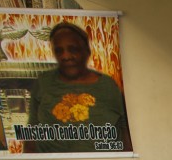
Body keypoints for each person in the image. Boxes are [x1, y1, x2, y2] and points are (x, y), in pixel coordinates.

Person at [24, 21, 133, 153]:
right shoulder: (43, 83)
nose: (66, 56)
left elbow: (124, 130)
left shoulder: (108, 85)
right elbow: (32, 131)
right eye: (59, 51)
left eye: (73, 49)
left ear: (86, 51)